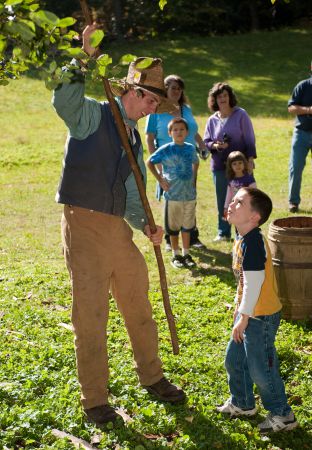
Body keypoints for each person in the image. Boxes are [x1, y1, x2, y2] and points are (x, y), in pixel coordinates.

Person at [52, 23, 185, 426]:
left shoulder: (130, 130)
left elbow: (131, 190)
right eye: (150, 103)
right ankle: (94, 399)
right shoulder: (92, 115)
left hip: (117, 230)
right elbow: (64, 100)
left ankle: (153, 376)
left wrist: (146, 223)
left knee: (136, 299)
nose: (152, 112)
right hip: (83, 224)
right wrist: (83, 54)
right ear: (134, 92)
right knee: (90, 313)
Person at [217, 187, 298, 433]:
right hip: (249, 312)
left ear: (255, 217)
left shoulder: (253, 242)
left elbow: (254, 282)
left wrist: (244, 316)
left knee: (261, 368)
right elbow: (243, 281)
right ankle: (243, 403)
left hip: (260, 317)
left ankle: (284, 415)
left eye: (240, 202)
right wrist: (239, 308)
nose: (231, 203)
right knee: (234, 360)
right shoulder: (242, 236)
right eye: (234, 200)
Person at [145, 74, 207, 250]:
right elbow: (150, 138)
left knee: (188, 196)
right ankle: (169, 240)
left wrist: (202, 146)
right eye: (173, 88)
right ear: (165, 90)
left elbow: (193, 132)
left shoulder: (185, 109)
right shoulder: (156, 111)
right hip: (167, 162)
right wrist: (157, 164)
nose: (177, 91)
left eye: (179, 88)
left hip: (187, 160)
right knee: (171, 201)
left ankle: (192, 237)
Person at [204, 82, 257, 242]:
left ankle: (244, 229)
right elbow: (206, 141)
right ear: (214, 100)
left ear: (230, 97)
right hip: (220, 166)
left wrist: (250, 159)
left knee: (244, 198)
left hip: (240, 167)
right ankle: (223, 231)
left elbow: (249, 138)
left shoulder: (241, 114)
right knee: (223, 199)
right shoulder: (212, 120)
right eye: (219, 96)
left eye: (225, 95)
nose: (222, 99)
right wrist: (215, 145)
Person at [146, 118, 199, 269]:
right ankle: (176, 255)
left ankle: (186, 253)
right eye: (175, 130)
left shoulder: (190, 148)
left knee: (187, 226)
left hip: (189, 196)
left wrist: (194, 181)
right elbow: (149, 161)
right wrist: (160, 179)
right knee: (174, 227)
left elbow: (196, 162)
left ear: (187, 132)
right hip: (173, 196)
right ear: (170, 133)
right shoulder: (166, 149)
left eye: (182, 129)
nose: (179, 132)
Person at [287, 68, 312, 213]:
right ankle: (293, 202)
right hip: (301, 132)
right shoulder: (303, 86)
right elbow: (291, 108)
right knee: (295, 167)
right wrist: (309, 110)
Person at [223, 151, 257, 217]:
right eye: (234, 164)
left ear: (244, 163)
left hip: (247, 208)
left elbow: (255, 194)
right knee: (237, 224)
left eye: (240, 163)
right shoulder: (231, 180)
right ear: (230, 166)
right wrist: (226, 207)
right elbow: (229, 194)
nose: (237, 165)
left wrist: (253, 207)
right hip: (235, 207)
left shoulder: (249, 179)